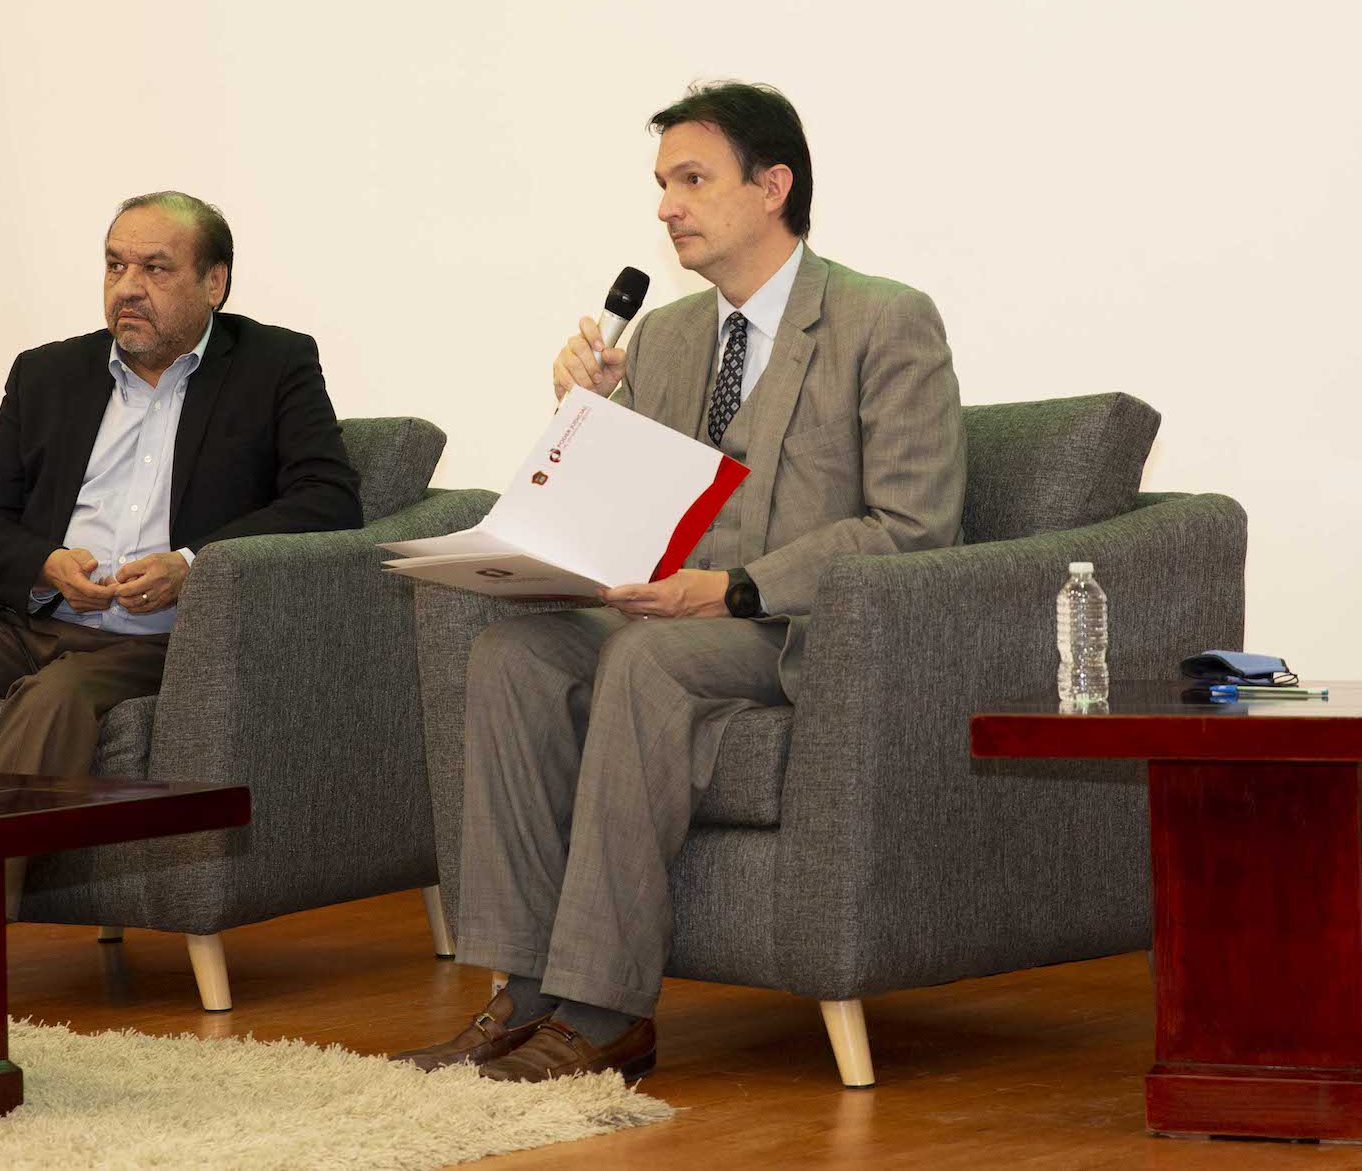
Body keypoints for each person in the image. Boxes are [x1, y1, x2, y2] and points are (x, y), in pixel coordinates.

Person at [395, 82, 966, 1083]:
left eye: (692, 179)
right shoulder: (663, 338)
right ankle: (524, 995)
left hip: (793, 632)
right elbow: (631, 520)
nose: (666, 206)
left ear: (771, 185)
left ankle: (607, 1011)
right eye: (662, 184)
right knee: (513, 654)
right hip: (668, 613)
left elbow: (914, 527)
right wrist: (577, 423)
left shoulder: (884, 321)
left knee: (648, 663)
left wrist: (738, 587)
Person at [0, 191, 362, 909]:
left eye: (154, 267)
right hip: (29, 619)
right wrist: (44, 561)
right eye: (115, 265)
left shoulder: (273, 364)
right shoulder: (48, 373)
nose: (128, 287)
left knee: (54, 700)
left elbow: (329, 500)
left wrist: (192, 566)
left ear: (215, 282)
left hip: (157, 637)